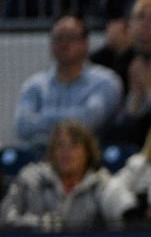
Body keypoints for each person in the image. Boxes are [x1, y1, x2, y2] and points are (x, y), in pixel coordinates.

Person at [14, 15, 124, 154]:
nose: (64, 43)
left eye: (71, 37)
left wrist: (43, 117)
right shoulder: (34, 85)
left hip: (90, 161)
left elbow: (90, 121)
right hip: (41, 157)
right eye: (58, 38)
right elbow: (22, 125)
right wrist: (75, 117)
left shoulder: (106, 81)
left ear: (85, 44)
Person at [1, 120, 132, 232]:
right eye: (60, 145)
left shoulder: (101, 183)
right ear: (52, 152)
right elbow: (4, 218)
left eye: (74, 145)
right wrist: (36, 224)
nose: (66, 151)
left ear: (87, 152)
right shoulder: (30, 178)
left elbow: (125, 218)